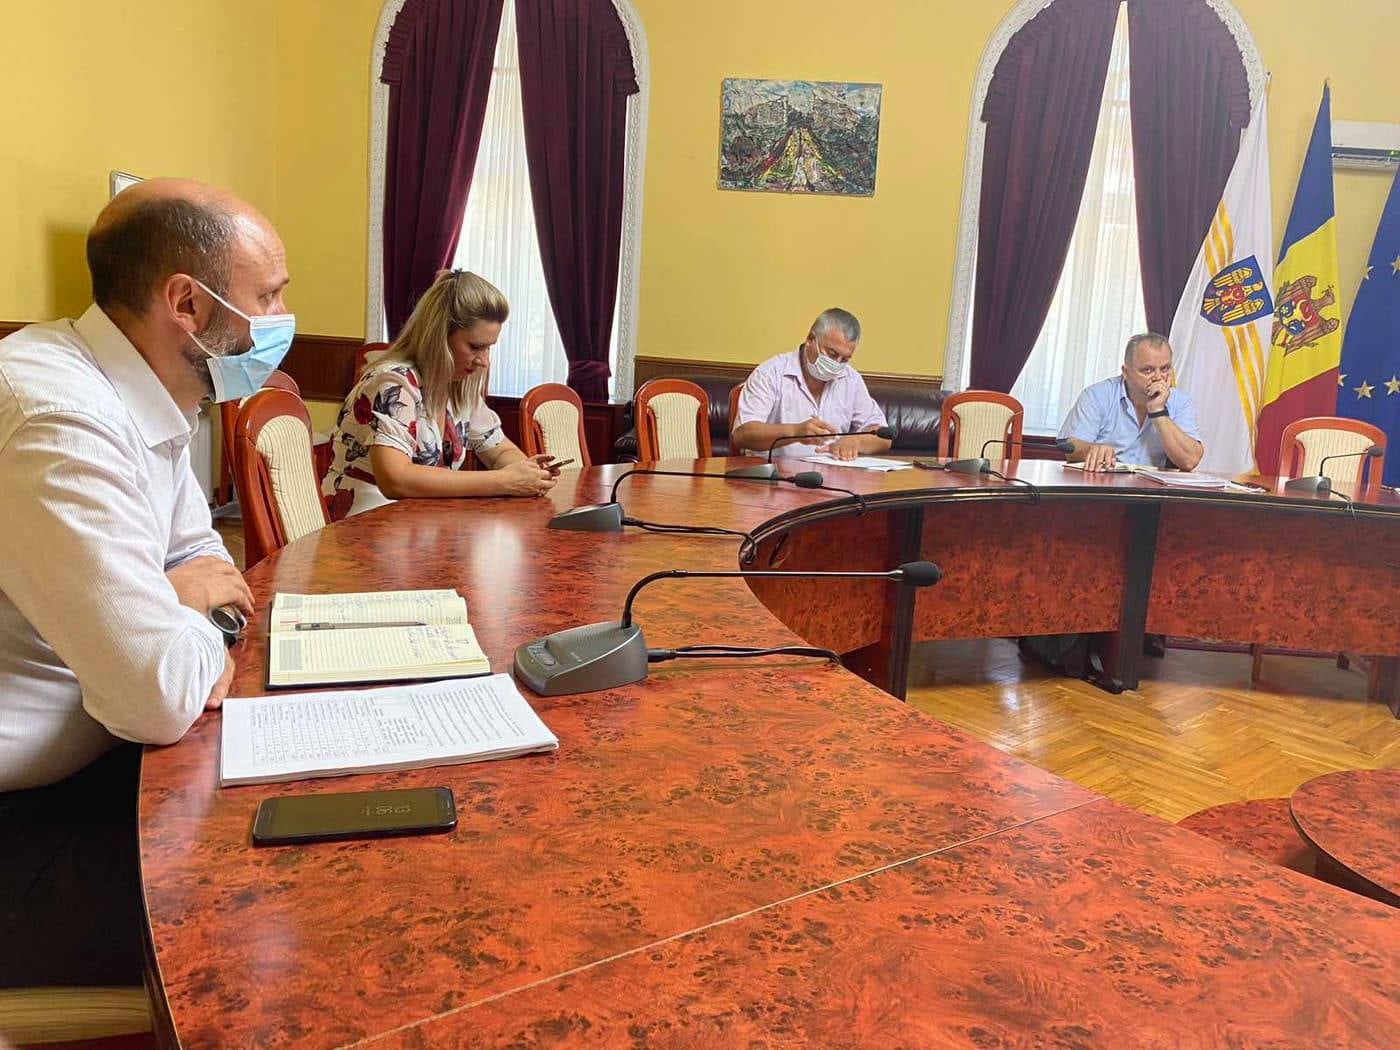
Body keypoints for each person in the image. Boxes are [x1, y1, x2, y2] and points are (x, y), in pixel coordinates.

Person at [0, 177, 287, 986]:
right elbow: (157, 696)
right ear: (187, 305)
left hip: (107, 762)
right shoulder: (58, 418)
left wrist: (182, 607)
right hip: (27, 825)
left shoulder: (152, 392)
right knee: (274, 918)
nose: (281, 320)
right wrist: (176, 602)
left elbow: (209, 564)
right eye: (268, 296)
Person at [323, 270, 559, 515]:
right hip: (363, 523)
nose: (484, 361)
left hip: (419, 524)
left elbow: (500, 451)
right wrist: (504, 481)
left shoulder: (458, 384)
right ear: (438, 337)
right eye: (475, 347)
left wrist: (527, 474)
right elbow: (395, 479)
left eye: (488, 348)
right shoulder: (393, 381)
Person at [731, 308, 891, 462]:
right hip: (773, 474)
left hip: (834, 476)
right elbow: (742, 435)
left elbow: (884, 437)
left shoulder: (851, 380)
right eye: (832, 354)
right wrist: (795, 432)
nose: (837, 364)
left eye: (845, 359)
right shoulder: (770, 373)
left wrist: (855, 441)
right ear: (810, 339)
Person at [1059, 333, 1204, 472]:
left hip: (1151, 487)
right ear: (1126, 372)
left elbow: (1190, 461)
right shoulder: (1096, 395)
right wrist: (1092, 450)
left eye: (1164, 369)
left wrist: (1158, 412)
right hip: (1103, 483)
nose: (1158, 377)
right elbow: (1071, 448)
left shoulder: (1181, 402)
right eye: (1148, 370)